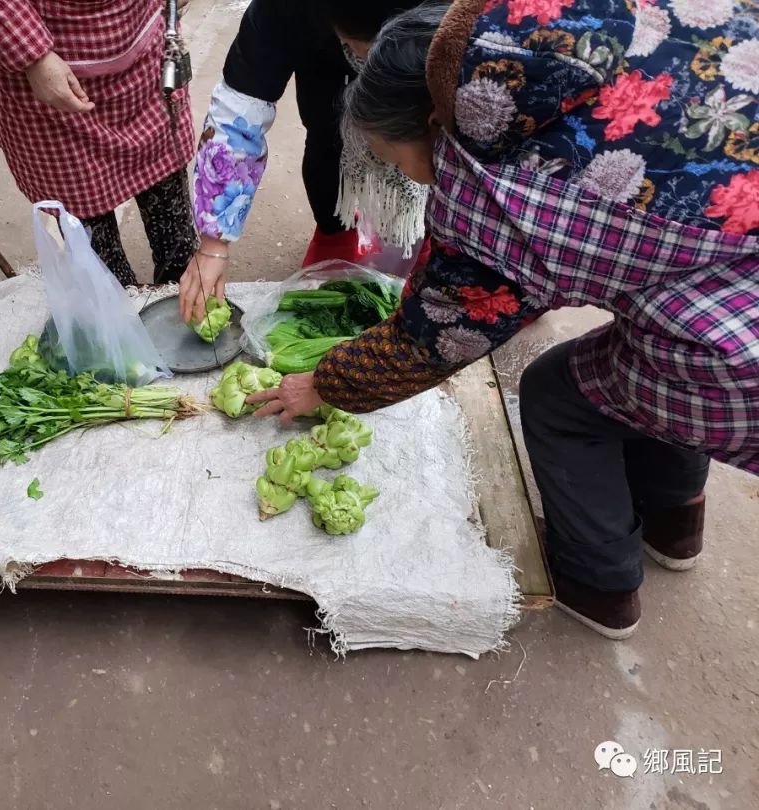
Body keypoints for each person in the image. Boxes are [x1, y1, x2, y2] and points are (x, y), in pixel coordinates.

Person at [248, 0, 759, 639]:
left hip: (737, 337)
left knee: (559, 395)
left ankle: (600, 585)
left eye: (396, 158)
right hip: (721, 266)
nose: (411, 176)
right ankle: (674, 521)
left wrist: (322, 384)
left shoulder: (488, 193)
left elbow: (424, 344)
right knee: (646, 357)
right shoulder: (553, 30)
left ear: (437, 122)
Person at [178, 0, 430, 323]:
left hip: (424, 103)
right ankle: (335, 236)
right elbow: (243, 98)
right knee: (329, 152)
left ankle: (428, 244)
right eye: (357, 45)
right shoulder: (288, 8)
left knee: (431, 213)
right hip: (329, 96)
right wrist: (214, 240)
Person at [0, 0, 197, 287]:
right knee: (99, 261)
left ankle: (181, 294)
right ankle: (118, 311)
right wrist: (33, 55)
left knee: (173, 217)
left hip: (141, 31)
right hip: (47, 60)